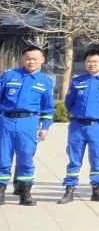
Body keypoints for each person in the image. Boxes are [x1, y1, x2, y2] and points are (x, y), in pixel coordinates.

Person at [58, 46, 99, 204]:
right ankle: (70, 190)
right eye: (89, 61)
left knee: (96, 158)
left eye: (95, 61)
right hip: (77, 126)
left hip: (98, 126)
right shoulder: (77, 81)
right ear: (85, 63)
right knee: (74, 158)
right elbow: (69, 103)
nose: (92, 64)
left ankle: (97, 190)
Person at [0, 44, 56, 206]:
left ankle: (25, 193)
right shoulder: (9, 76)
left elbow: (48, 108)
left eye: (35, 59)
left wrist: (45, 127)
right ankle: (1, 191)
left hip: (28, 123)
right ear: (22, 59)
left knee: (26, 158)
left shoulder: (45, 82)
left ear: (42, 60)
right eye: (28, 59)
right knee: (3, 158)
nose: (31, 62)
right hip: (6, 122)